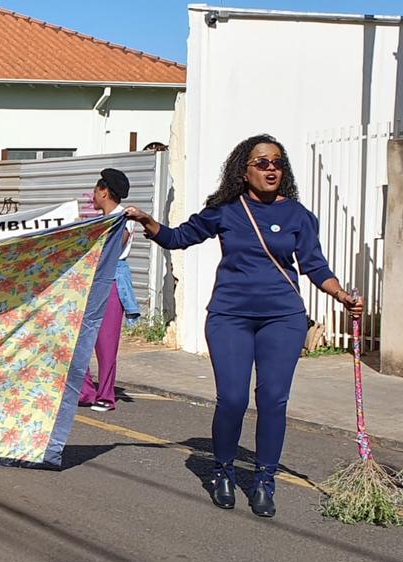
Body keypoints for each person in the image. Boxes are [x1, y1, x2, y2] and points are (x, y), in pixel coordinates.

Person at [125, 134, 363, 518]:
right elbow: (177, 238)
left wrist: (342, 295)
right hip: (230, 316)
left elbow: (315, 266)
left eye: (277, 163)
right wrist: (148, 221)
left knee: (273, 401)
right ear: (244, 169)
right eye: (263, 162)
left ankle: (265, 479)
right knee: (233, 399)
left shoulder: (298, 215)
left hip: (282, 318)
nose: (271, 169)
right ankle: (222, 470)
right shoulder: (226, 211)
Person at [78, 169, 138, 413]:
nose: (93, 195)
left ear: (103, 191)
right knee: (80, 338)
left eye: (95, 190)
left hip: (112, 280)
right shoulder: (99, 220)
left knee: (106, 342)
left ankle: (106, 395)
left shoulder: (123, 219)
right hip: (91, 280)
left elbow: (112, 249)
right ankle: (85, 392)